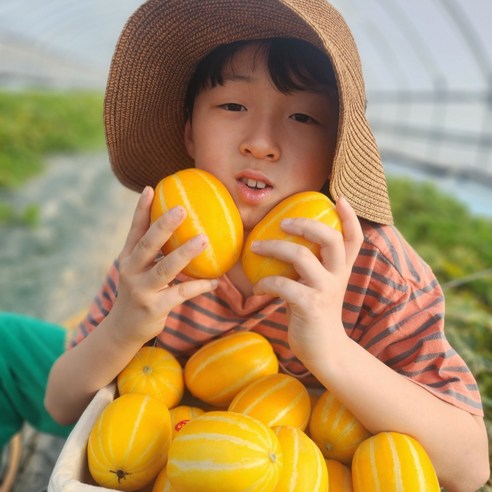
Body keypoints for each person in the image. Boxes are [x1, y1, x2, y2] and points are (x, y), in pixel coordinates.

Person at [5, 0, 491, 490]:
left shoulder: (373, 266)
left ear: (335, 152)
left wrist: (332, 352)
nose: (261, 142)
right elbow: (62, 404)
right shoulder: (164, 244)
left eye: (302, 117)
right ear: (189, 131)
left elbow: (470, 468)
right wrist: (124, 325)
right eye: (234, 106)